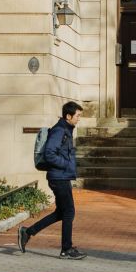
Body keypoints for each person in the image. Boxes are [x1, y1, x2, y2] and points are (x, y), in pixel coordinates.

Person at [18, 101, 86, 260]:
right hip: (59, 177)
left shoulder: (65, 130)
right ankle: (66, 249)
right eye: (78, 116)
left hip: (61, 177)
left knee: (61, 212)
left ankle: (27, 232)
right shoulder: (60, 131)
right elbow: (49, 153)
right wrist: (65, 165)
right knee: (69, 211)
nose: (79, 119)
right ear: (68, 116)